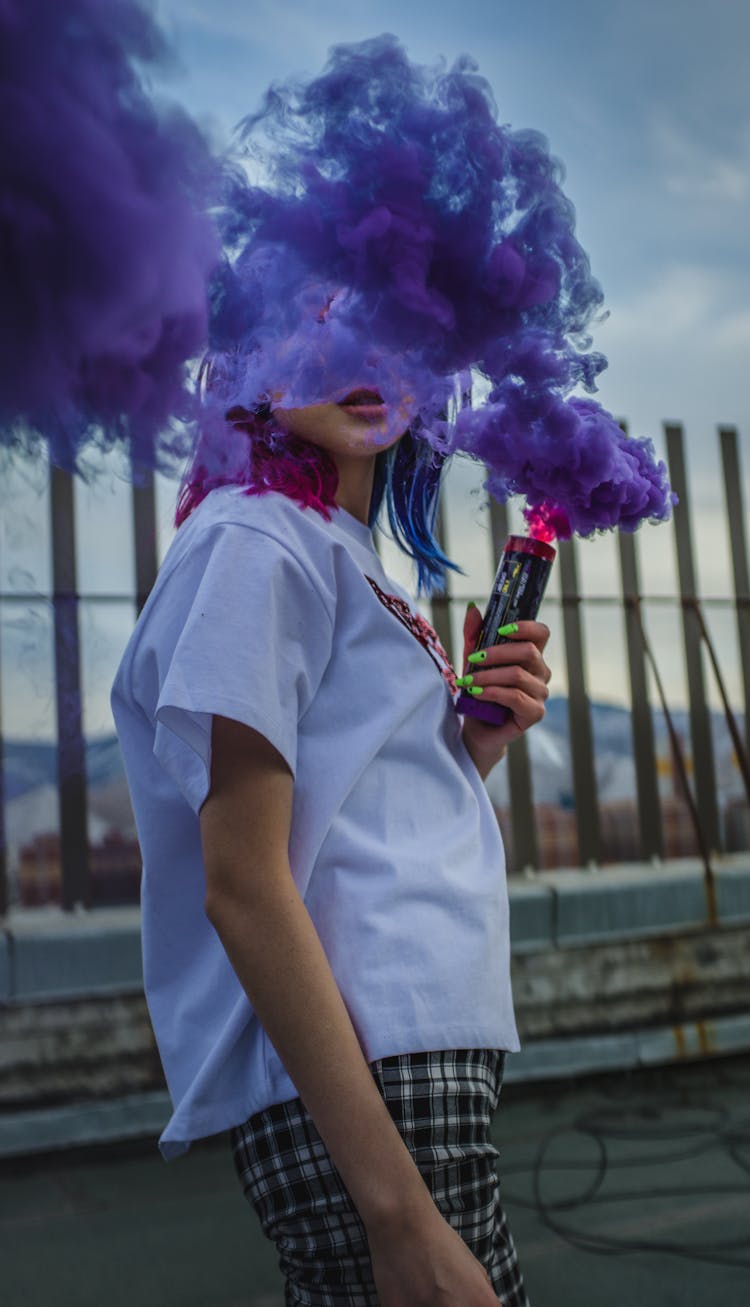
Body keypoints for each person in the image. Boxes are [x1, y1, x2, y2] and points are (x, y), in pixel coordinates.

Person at [110, 383, 551, 1307]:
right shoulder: (257, 538)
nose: (364, 357)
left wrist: (472, 742)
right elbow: (242, 882)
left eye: (392, 317)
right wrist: (399, 1217)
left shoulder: (331, 547)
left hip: (401, 1064)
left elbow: (352, 806)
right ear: (251, 361)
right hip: (373, 1078)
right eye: (316, 312)